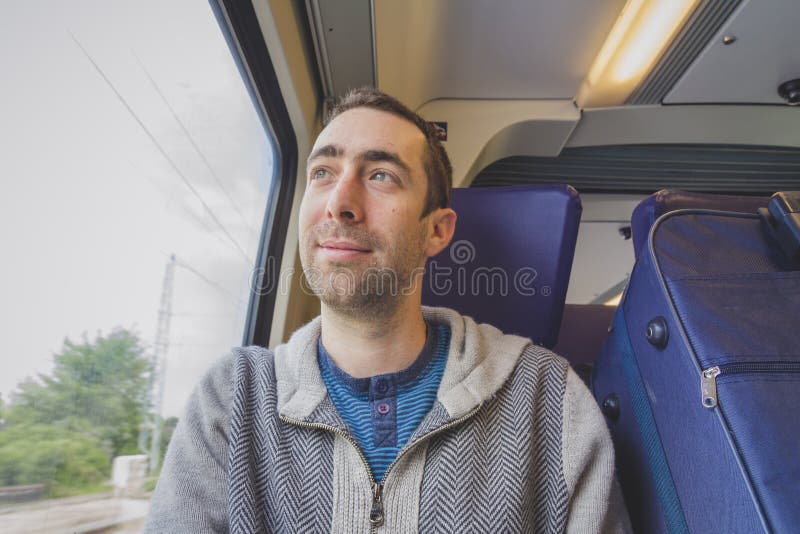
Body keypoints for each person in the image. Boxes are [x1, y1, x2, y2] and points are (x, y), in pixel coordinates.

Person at [145, 87, 630, 533]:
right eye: (322, 173)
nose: (339, 204)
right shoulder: (233, 400)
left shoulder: (548, 401)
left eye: (381, 175)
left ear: (437, 230)